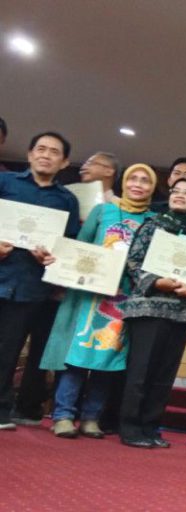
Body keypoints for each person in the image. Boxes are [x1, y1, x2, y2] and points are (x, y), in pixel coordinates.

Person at [39, 164, 157, 438]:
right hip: (89, 295)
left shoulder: (155, 221)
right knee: (77, 355)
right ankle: (63, 415)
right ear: (124, 182)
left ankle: (92, 417)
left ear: (152, 188)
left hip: (126, 298)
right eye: (133, 179)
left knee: (108, 359)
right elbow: (79, 247)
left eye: (145, 181)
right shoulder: (102, 212)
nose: (138, 184)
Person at [119, 178, 186, 448]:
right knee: (141, 371)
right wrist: (155, 281)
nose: (180, 195)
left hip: (182, 312)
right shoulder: (153, 224)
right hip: (150, 307)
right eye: (176, 191)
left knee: (165, 375)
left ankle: (151, 427)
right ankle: (130, 427)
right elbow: (133, 260)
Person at [0, 132, 80, 431]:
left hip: (33, 285)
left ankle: (3, 410)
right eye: (41, 149)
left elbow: (69, 243)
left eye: (54, 152)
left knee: (9, 350)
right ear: (30, 154)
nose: (46, 155)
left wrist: (52, 256)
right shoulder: (5, 184)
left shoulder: (66, 200)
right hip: (2, 274)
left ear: (64, 162)